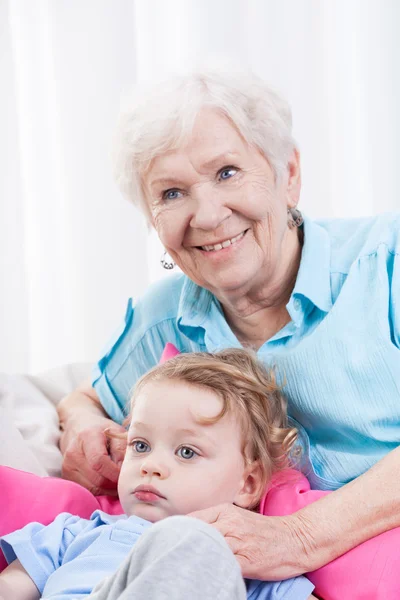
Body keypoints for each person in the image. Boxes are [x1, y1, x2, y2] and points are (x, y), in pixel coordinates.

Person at [57, 65, 400, 581]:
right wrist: (85, 429)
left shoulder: (387, 263)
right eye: (171, 193)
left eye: (227, 172)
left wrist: (300, 539)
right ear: (153, 221)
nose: (209, 215)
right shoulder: (160, 320)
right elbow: (80, 397)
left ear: (289, 175)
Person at [0, 350, 316, 600]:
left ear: (247, 483)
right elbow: (11, 587)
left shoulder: (252, 567)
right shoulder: (71, 533)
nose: (151, 466)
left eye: (187, 452)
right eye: (141, 444)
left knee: (196, 541)